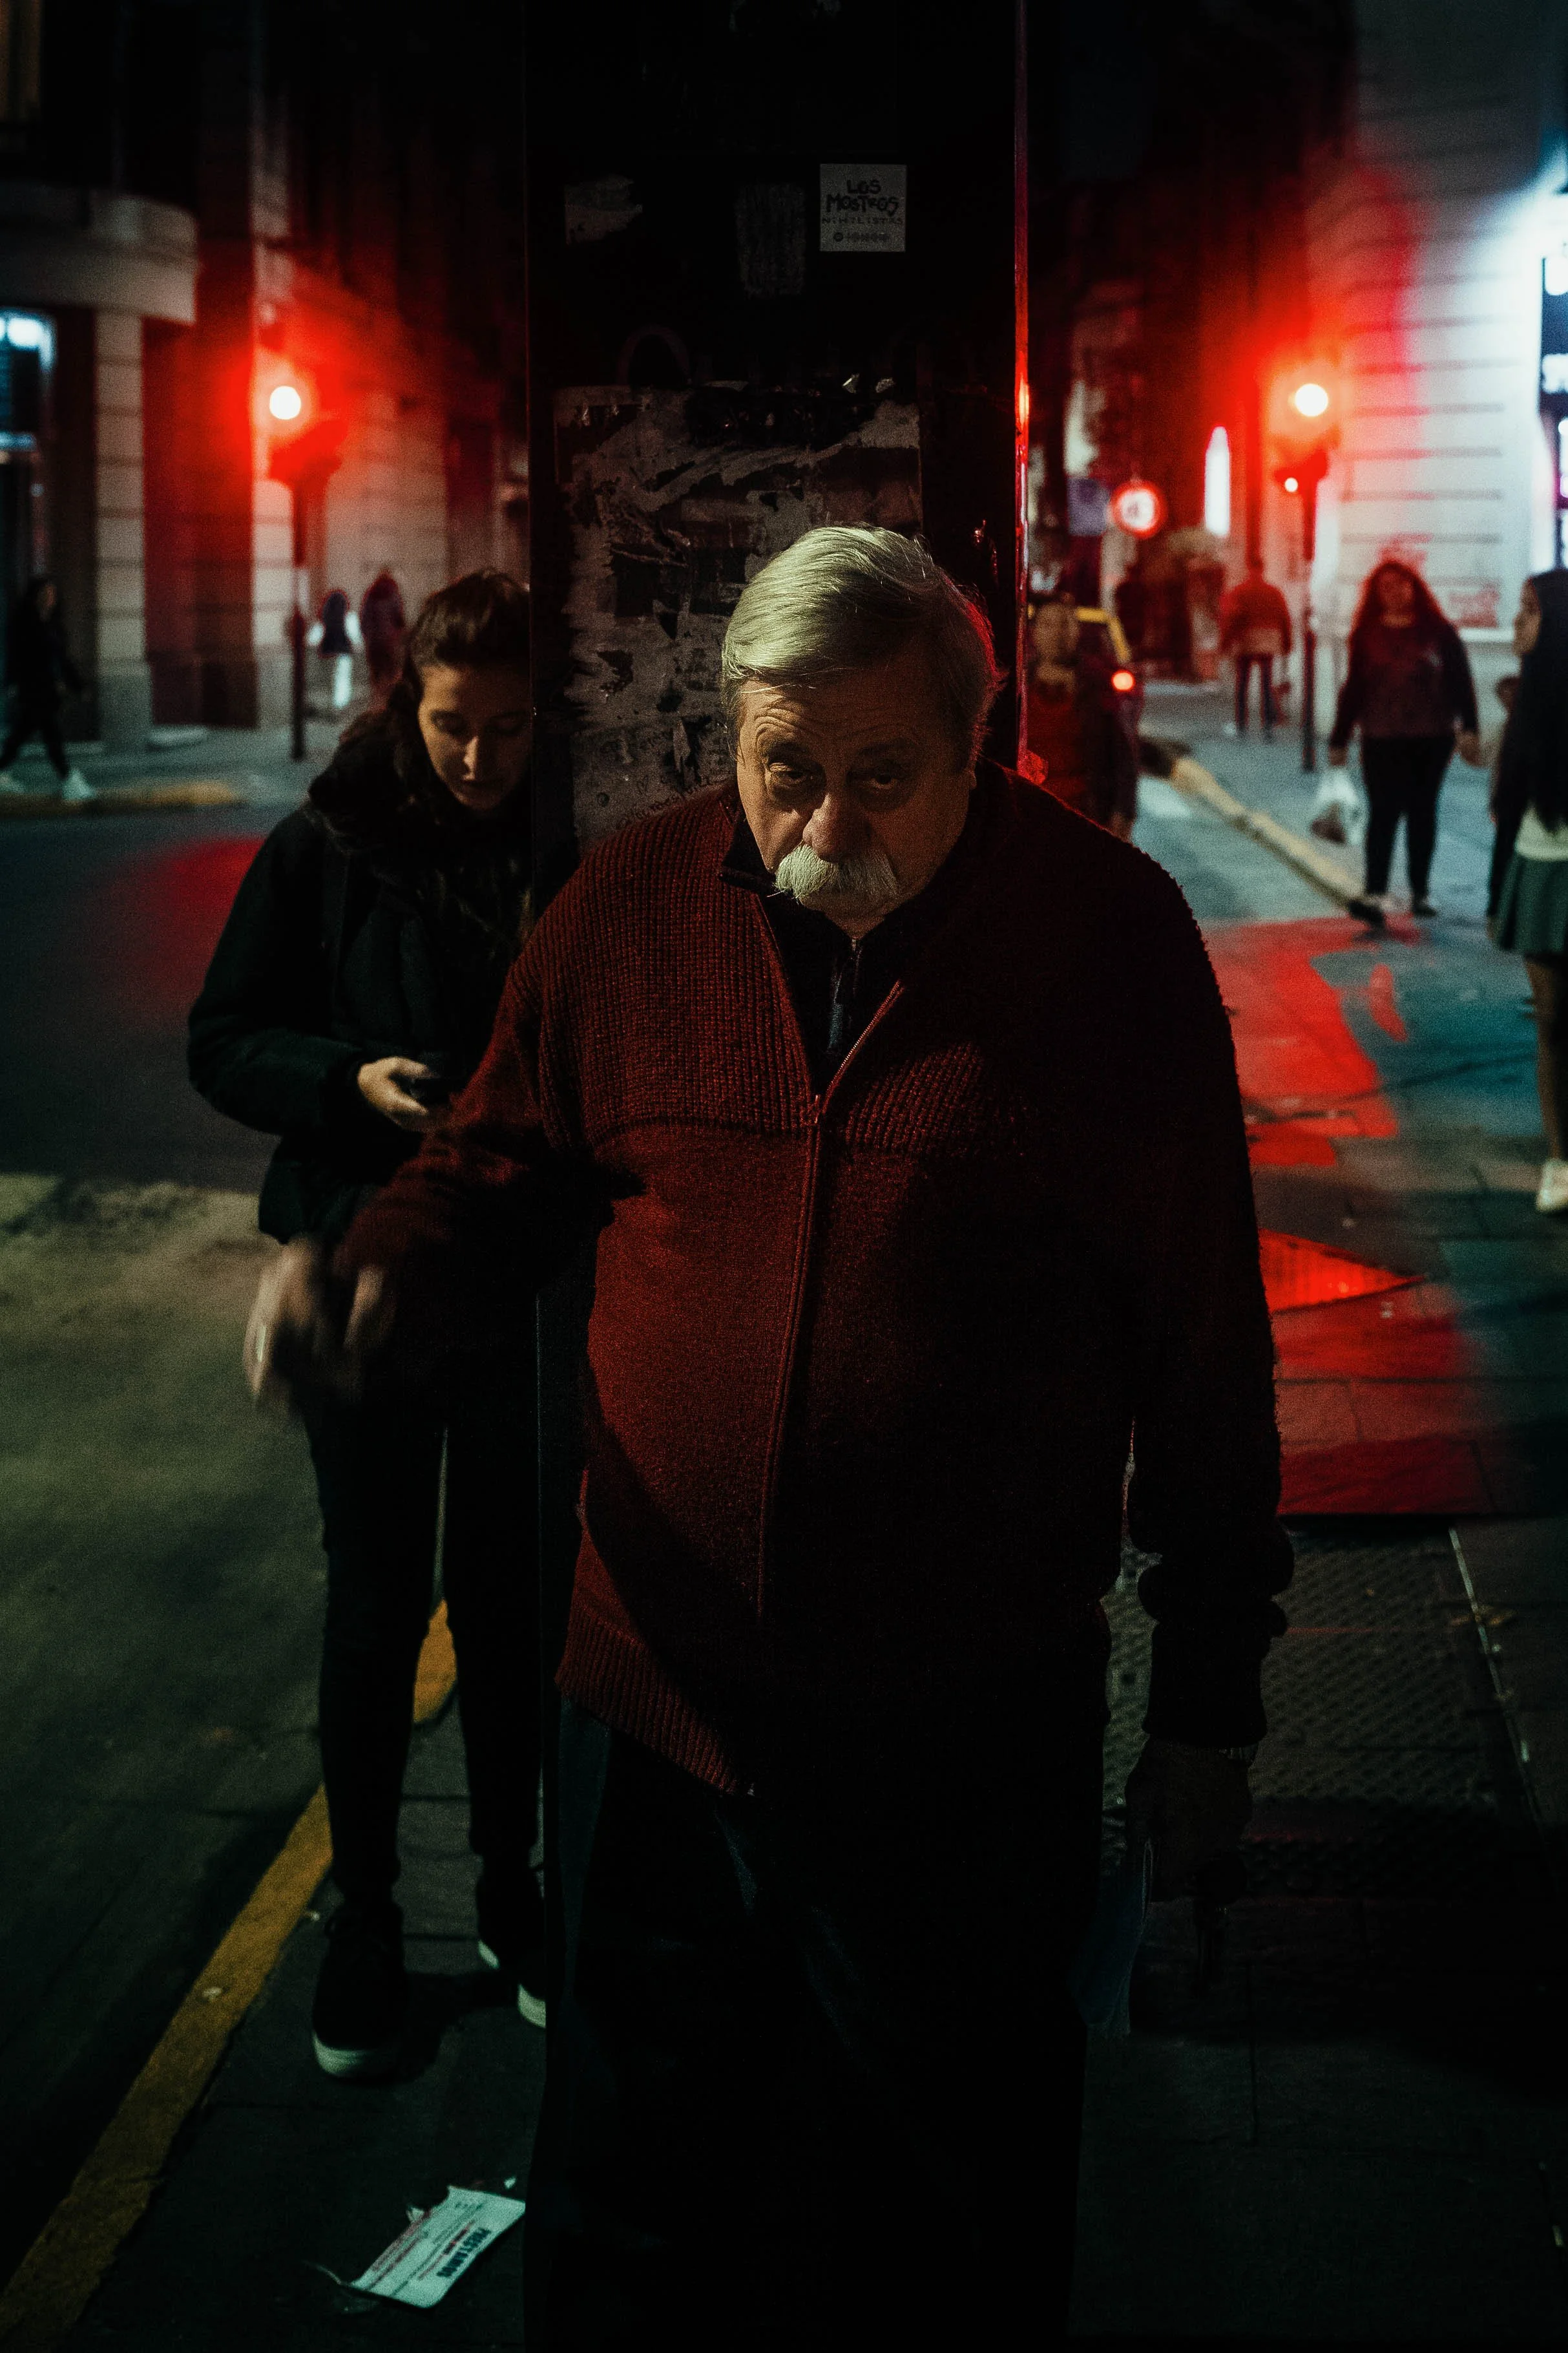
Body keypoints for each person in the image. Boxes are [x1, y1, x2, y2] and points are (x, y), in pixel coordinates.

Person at [244, 527, 1291, 2349]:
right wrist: (377, 1277)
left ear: (985, 745)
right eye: (780, 767)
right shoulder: (634, 910)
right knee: (631, 2215)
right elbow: (492, 1163)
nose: (821, 823)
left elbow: (1205, 1350)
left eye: (879, 775)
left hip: (958, 1744)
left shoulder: (1108, 948)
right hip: (653, 1726)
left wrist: (1210, 1704)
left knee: (940, 2223)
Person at [189, 569, 544, 2078]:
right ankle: (366, 1919)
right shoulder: (326, 841)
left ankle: (511, 1900)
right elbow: (221, 1039)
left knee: (514, 1605)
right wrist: (348, 1082)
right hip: (360, 1277)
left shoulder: (563, 847)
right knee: (375, 1602)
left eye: (511, 731)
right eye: (456, 726)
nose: (480, 761)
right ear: (408, 702)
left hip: (517, 1282)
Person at [1328, 557, 1479, 925]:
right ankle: (1375, 891)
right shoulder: (1367, 634)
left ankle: (1420, 892)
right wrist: (1340, 736)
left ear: (1414, 587)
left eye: (1400, 585)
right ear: (1376, 595)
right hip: (1380, 738)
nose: (1393, 593)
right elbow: (1355, 688)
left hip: (1432, 737)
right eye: (1385, 588)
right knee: (1383, 813)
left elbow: (1461, 680)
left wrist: (1470, 726)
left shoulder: (1439, 632)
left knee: (1423, 813)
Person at [1489, 572, 1568, 1216]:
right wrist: (1497, 897)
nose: (1517, 625)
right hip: (1539, 866)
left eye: (1531, 613)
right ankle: (1559, 1157)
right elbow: (1508, 809)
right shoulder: (1529, 704)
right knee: (1553, 1020)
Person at [1025, 595, 1139, 836]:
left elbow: (1124, 754)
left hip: (1085, 815)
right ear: (1034, 632)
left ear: (1076, 631)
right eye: (1047, 625)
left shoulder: (1098, 684)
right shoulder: (1018, 684)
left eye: (1065, 624)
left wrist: (1123, 813)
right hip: (1029, 814)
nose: (1057, 633)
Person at [0, 576, 93, 801]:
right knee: (52, 736)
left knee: (20, 736)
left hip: (48, 691)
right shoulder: (26, 624)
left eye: (52, 594)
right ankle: (69, 780)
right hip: (34, 689)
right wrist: (13, 683)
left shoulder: (54, 625)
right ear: (35, 597)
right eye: (44, 594)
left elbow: (63, 660)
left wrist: (77, 686)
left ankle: (2, 769)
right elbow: (19, 658)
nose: (49, 599)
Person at [1219, 556, 1293, 739]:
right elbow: (1285, 618)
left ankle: (1241, 725)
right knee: (1266, 683)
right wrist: (1286, 643)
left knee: (1242, 683)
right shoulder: (1274, 592)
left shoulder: (1240, 591)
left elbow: (1232, 618)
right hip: (1269, 640)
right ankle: (1268, 725)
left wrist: (1226, 643)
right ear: (1263, 569)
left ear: (1249, 569)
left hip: (1247, 640)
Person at [308, 586, 362, 712]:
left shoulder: (324, 616)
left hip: (327, 651)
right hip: (344, 652)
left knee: (328, 681)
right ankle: (340, 705)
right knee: (342, 678)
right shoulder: (349, 616)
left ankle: (330, 705)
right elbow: (355, 636)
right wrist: (357, 645)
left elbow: (312, 640)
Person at [360, 571, 407, 706]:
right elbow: (399, 617)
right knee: (390, 670)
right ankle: (388, 700)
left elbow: (364, 619)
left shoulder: (371, 595)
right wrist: (399, 634)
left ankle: (376, 699)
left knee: (376, 670)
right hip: (389, 640)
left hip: (374, 641)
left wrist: (368, 636)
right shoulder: (393, 595)